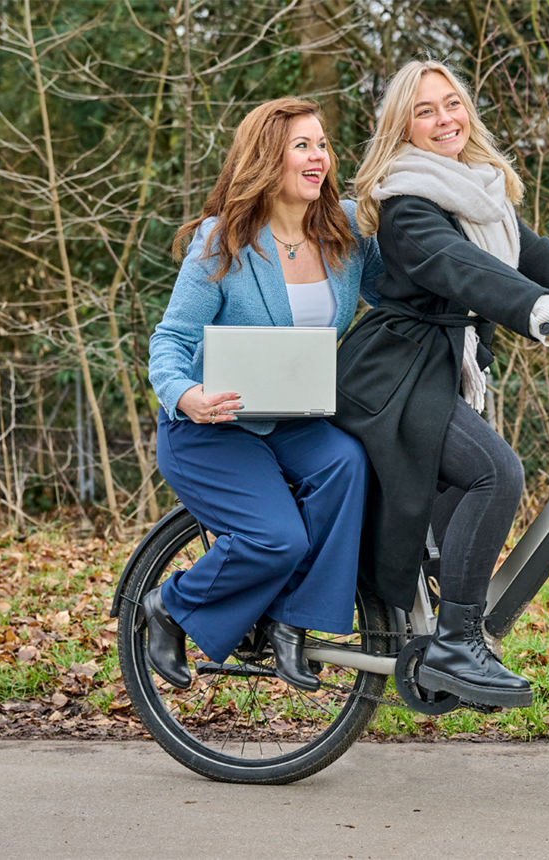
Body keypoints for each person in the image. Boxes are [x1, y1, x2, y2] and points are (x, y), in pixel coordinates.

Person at [335, 61, 549, 708]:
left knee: (460, 520)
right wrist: (545, 312)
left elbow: (541, 259)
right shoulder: (404, 204)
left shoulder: (478, 194)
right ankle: (453, 647)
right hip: (393, 379)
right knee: (498, 473)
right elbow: (464, 271)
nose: (445, 120)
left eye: (452, 104)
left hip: (437, 375)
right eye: (425, 111)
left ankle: (446, 631)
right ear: (402, 128)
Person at [145, 97, 382, 692]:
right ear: (266, 158)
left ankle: (292, 625)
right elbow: (170, 340)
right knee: (278, 538)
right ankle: (170, 605)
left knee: (348, 464)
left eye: (323, 144)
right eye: (302, 145)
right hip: (213, 427)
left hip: (292, 421)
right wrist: (186, 395)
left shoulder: (347, 231)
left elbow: (402, 288)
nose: (319, 157)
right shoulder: (223, 241)